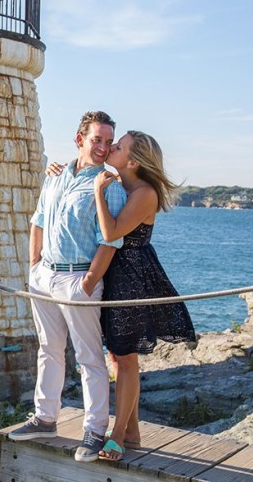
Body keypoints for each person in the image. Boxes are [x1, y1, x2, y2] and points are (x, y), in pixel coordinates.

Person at [8, 111, 127, 463]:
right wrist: (34, 268)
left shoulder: (110, 185)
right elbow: (38, 222)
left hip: (79, 280)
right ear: (80, 140)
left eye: (108, 141)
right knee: (49, 349)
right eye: (97, 140)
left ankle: (93, 431)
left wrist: (90, 282)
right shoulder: (55, 177)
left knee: (89, 358)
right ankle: (45, 417)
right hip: (45, 276)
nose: (104, 147)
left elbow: (110, 241)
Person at [90, 131, 196, 461]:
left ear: (133, 161)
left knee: (126, 358)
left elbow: (110, 232)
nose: (111, 148)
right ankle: (132, 429)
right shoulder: (119, 183)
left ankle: (119, 434)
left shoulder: (144, 192)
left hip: (132, 279)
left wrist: (97, 193)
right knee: (117, 356)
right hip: (115, 274)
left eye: (118, 147)